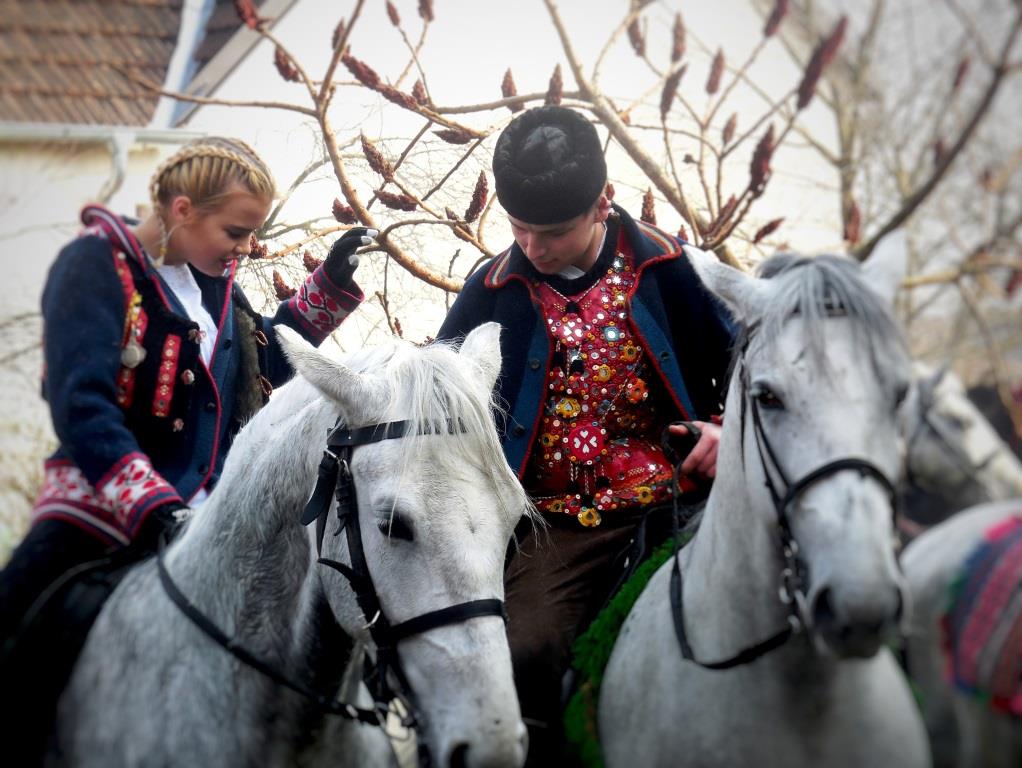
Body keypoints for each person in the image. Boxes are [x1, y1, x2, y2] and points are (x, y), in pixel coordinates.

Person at [0, 136, 374, 762]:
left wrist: (328, 286)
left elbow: (263, 360)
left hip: (208, 519)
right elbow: (82, 405)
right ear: (180, 210)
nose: (248, 248)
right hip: (97, 514)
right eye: (237, 231)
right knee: (13, 633)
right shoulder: (92, 267)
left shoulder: (213, 281)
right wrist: (153, 506)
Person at [436, 106, 735, 763]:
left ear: (604, 203)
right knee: (525, 653)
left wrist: (728, 431)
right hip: (559, 526)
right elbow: (443, 413)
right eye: (517, 227)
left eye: (553, 232)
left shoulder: (672, 268)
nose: (532, 247)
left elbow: (759, 365)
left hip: (684, 499)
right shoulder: (488, 292)